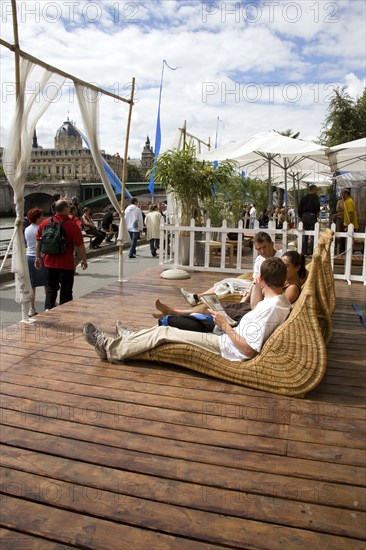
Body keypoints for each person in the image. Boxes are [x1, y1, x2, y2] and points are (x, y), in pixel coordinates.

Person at [83, 257, 292, 362]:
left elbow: (248, 349)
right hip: (230, 337)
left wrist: (223, 325)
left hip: (227, 346)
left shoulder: (271, 308)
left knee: (164, 332)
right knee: (170, 328)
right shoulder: (280, 302)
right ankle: (128, 338)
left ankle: (109, 347)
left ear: (262, 279)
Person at [154, 251, 306, 332]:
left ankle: (173, 314)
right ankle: (174, 313)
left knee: (209, 311)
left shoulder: (291, 288)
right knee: (211, 306)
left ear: (297, 267)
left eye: (286, 266)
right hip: (247, 311)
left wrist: (259, 288)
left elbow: (265, 305)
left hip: (246, 316)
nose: (284, 270)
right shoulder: (285, 283)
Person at [180, 231, 282, 307]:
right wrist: (250, 288)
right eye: (259, 249)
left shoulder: (280, 259)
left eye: (264, 247)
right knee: (226, 282)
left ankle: (198, 298)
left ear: (272, 244)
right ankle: (199, 298)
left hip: (265, 288)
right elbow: (255, 278)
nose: (262, 251)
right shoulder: (259, 259)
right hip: (254, 285)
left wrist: (251, 289)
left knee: (227, 285)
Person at [36, 200, 88, 310]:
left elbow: (38, 241)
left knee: (51, 289)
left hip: (49, 263)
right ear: (65, 209)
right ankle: (65, 313)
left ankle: (48, 310)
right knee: (66, 291)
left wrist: (37, 257)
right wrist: (84, 259)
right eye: (68, 207)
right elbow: (80, 245)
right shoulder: (71, 225)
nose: (69, 209)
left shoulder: (45, 223)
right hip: (66, 264)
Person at [24, 207, 48, 317]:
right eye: (41, 215)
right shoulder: (41, 228)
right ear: (38, 217)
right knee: (47, 282)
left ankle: (32, 308)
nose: (43, 217)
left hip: (29, 256)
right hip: (40, 257)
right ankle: (48, 305)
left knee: (32, 284)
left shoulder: (27, 229)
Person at [298, 184, 320, 254]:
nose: (316, 191)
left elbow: (300, 208)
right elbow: (317, 206)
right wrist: (317, 213)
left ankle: (303, 251)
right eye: (316, 189)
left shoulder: (303, 198)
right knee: (313, 234)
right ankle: (312, 251)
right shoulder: (315, 197)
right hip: (312, 215)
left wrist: (301, 217)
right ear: (313, 189)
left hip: (304, 216)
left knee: (305, 234)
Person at [339, 189, 359, 253]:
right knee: (343, 240)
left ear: (345, 194)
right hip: (346, 223)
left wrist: (349, 225)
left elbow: (351, 214)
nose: (340, 195)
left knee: (346, 240)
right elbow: (346, 213)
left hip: (349, 224)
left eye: (342, 193)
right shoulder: (346, 201)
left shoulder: (349, 201)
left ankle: (346, 254)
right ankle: (344, 253)